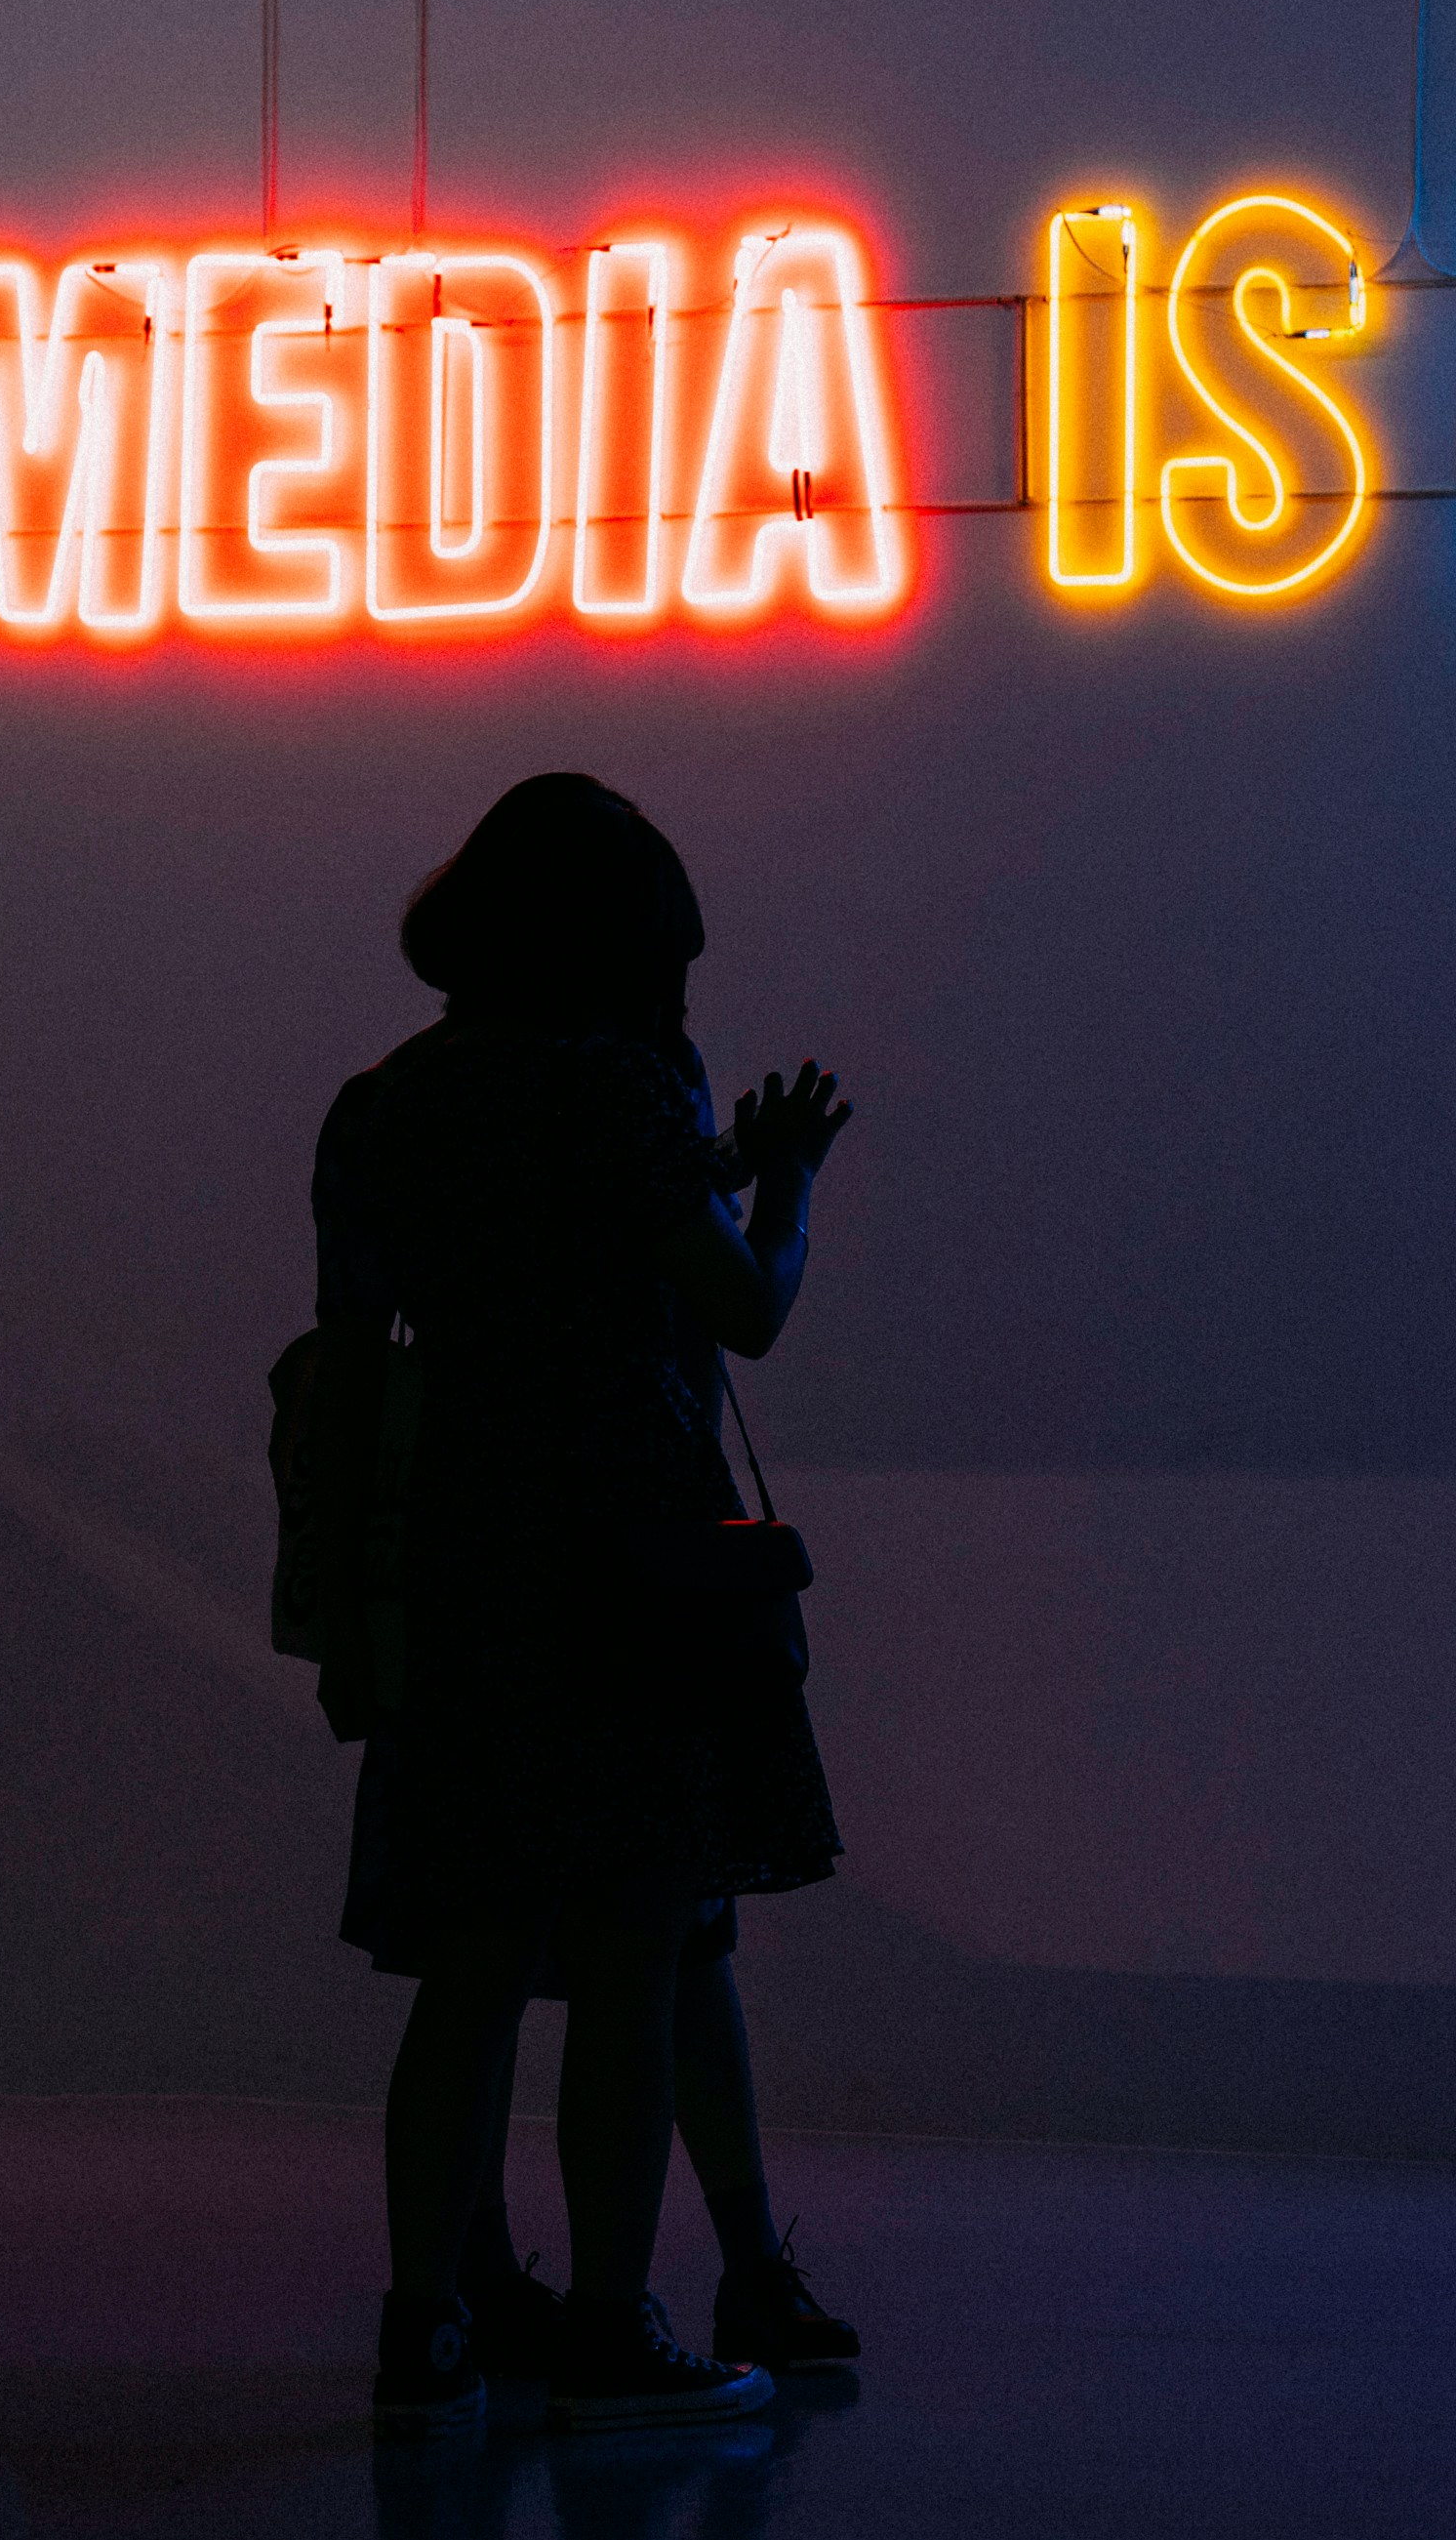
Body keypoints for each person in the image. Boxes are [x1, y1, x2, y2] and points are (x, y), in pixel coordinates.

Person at [322, 774, 859, 2438]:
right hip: (633, 1558)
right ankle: (625, 2321)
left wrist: (359, 1580)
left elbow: (351, 1365)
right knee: (641, 1946)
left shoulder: (383, 1103)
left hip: (469, 1551)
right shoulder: (629, 1087)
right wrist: (782, 1190)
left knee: (472, 1960)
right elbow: (741, 1314)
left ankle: (427, 2325)